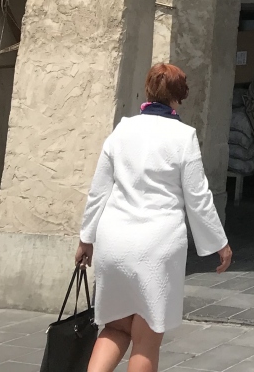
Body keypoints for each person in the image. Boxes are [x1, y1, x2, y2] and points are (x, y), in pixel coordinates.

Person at [76, 63, 231, 372]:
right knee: (145, 340)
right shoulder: (183, 137)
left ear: (147, 90)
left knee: (115, 328)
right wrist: (219, 243)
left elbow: (99, 190)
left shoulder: (122, 130)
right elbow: (198, 197)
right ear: (180, 95)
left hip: (115, 242)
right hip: (157, 246)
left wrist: (86, 239)